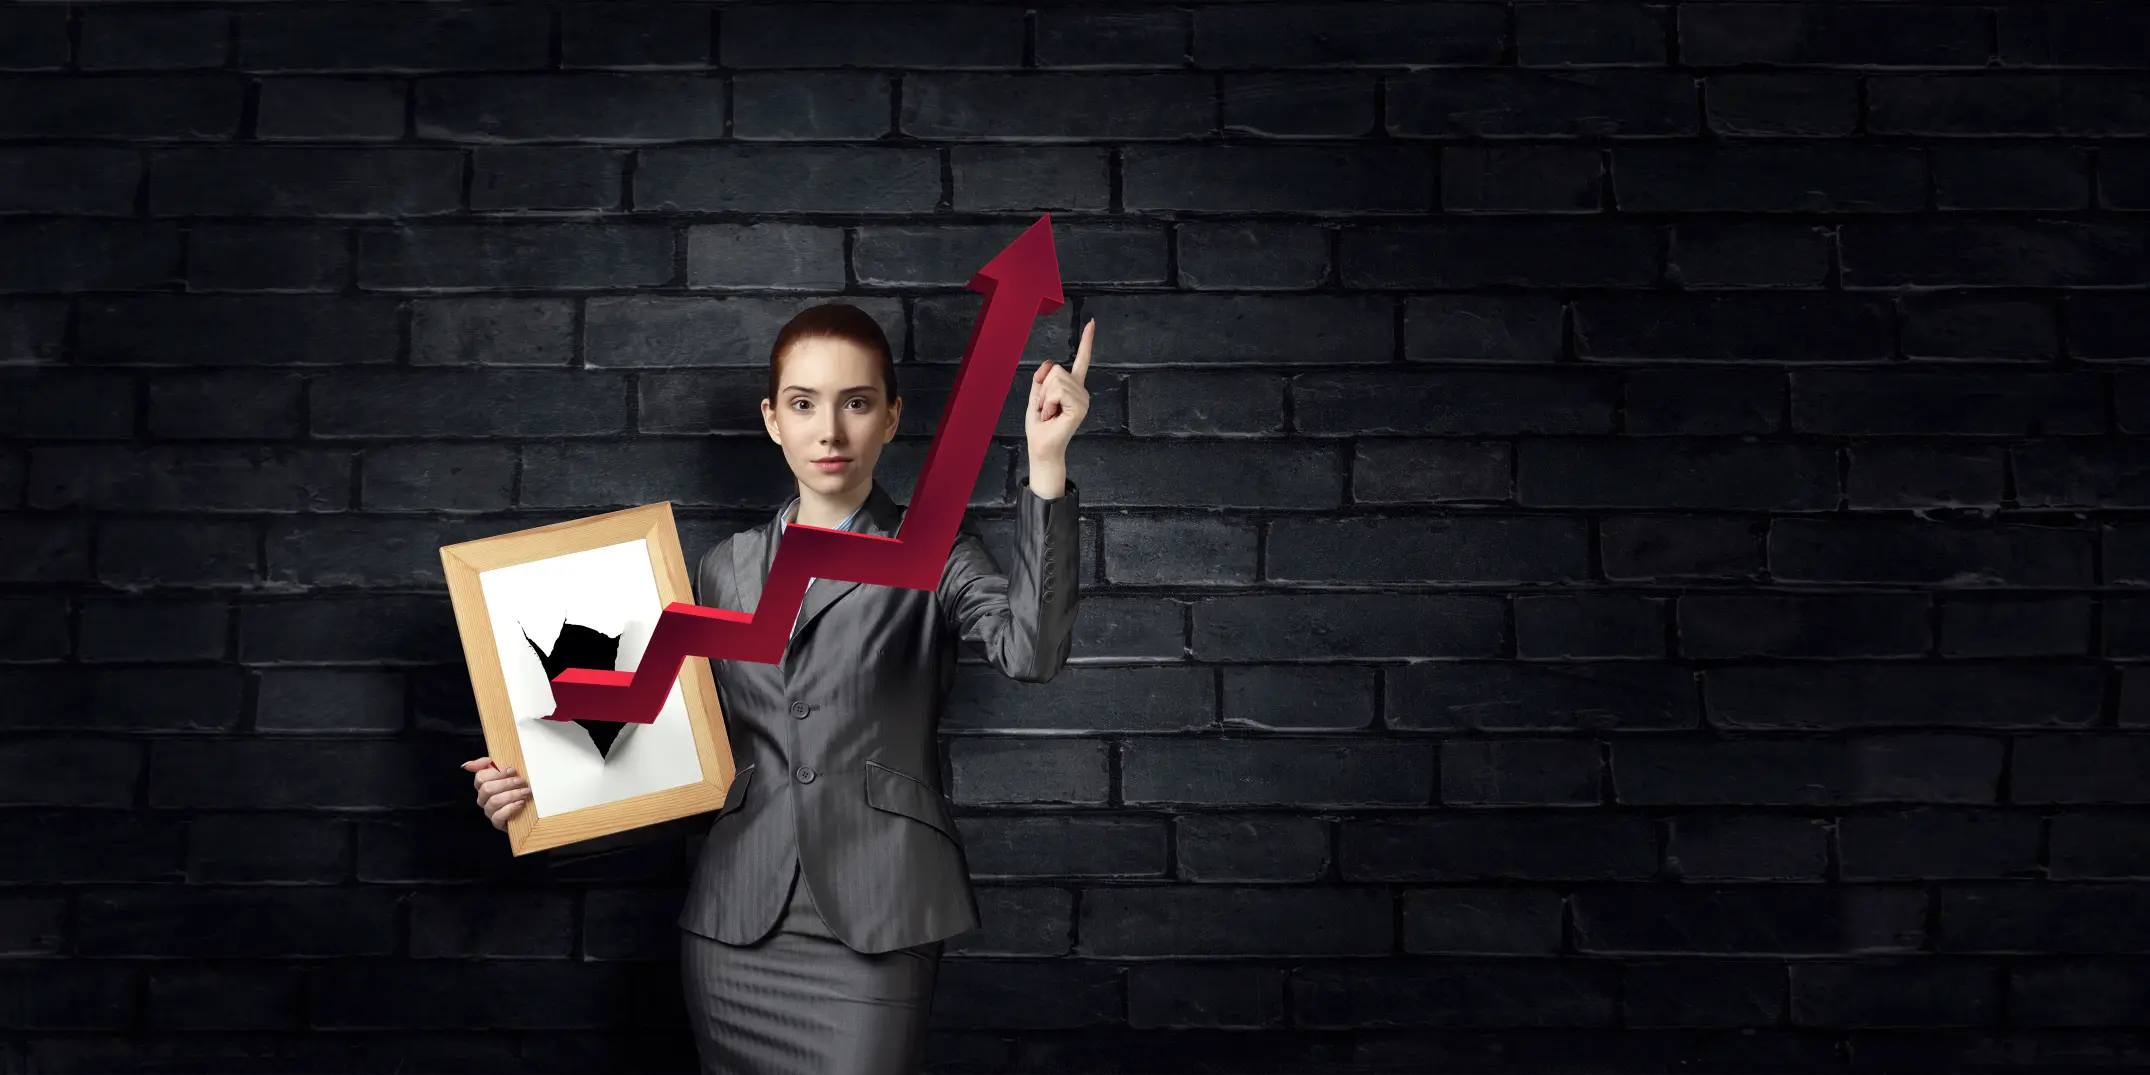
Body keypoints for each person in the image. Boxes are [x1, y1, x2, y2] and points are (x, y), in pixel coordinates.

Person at [460, 301, 1094, 1074]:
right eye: (803, 404)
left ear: (891, 418)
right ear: (772, 419)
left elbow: (1031, 652)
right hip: (733, 926)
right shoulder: (724, 567)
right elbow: (679, 748)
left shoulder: (937, 553)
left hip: (877, 916)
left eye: (856, 403)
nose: (829, 432)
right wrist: (540, 785)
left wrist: (1046, 463)